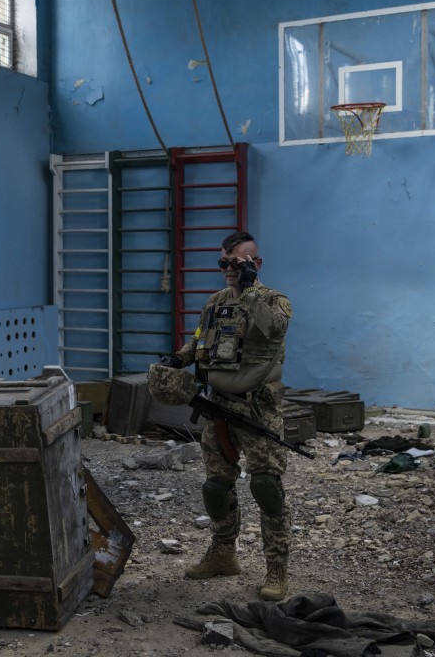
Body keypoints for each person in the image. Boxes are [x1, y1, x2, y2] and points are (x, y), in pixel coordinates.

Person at [160, 230, 293, 601]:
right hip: (218, 407)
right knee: (216, 487)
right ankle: (223, 555)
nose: (229, 270)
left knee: (267, 488)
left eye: (237, 263)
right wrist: (179, 358)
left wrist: (249, 289)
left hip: (257, 409)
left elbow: (273, 329)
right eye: (224, 263)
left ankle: (276, 568)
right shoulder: (216, 302)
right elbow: (201, 336)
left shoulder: (273, 300)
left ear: (256, 264)